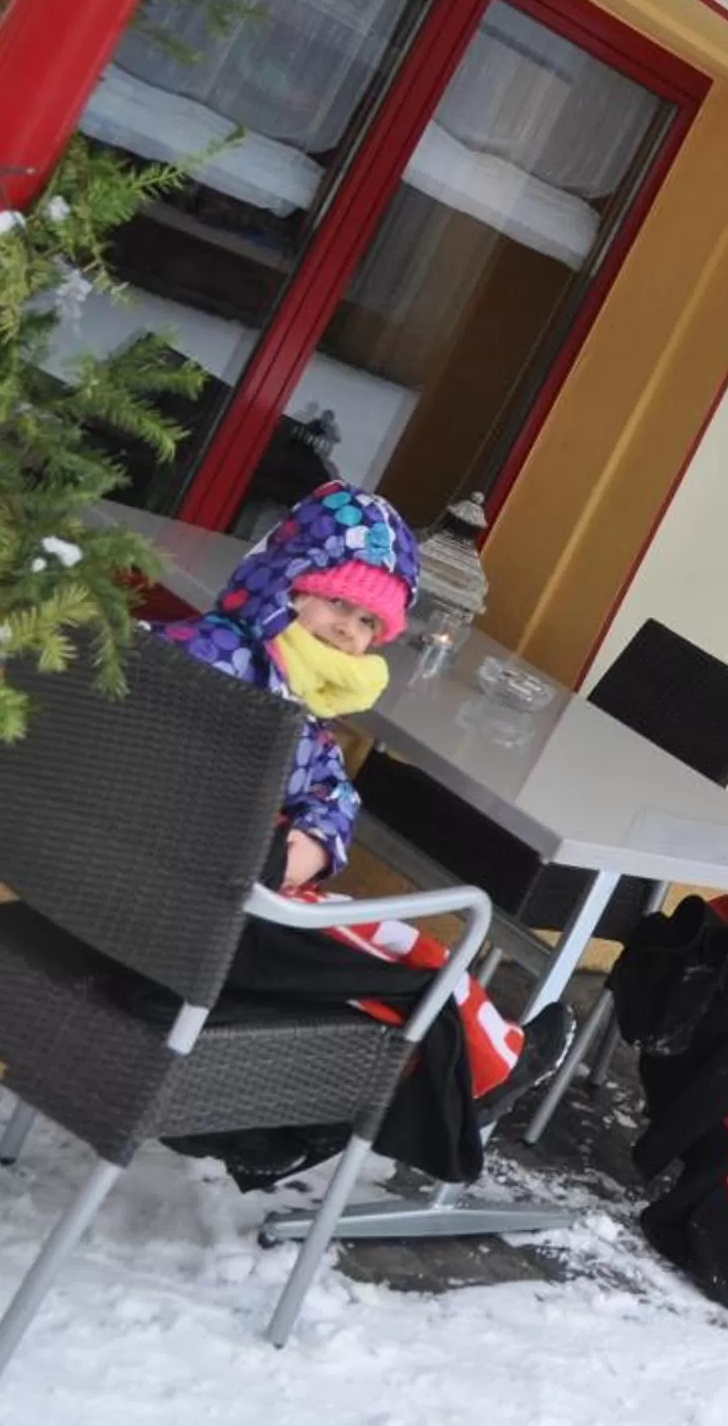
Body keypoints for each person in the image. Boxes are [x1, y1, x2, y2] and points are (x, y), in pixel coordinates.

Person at [160, 483, 573, 1186]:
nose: (347, 630)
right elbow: (193, 761)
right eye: (335, 603)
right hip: (219, 913)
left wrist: (313, 842)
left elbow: (328, 787)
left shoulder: (270, 686)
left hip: (146, 890)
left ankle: (275, 1130)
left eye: (365, 622)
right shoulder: (234, 672)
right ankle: (494, 1072)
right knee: (421, 965)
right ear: (285, 584)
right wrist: (272, 853)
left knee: (382, 979)